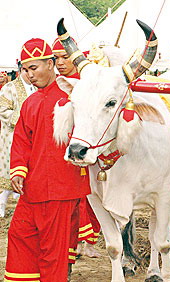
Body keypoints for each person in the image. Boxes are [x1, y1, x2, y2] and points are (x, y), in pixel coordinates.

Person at [3, 38, 90, 282]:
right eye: (26, 70)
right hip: (33, 187)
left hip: (62, 188)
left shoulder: (74, 96)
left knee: (54, 251)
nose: (30, 75)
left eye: (35, 67)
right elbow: (21, 141)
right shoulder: (31, 103)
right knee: (19, 234)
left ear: (51, 64)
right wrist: (18, 171)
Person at [52, 38, 102, 262]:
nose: (61, 63)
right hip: (60, 153)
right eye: (56, 58)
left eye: (65, 57)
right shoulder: (56, 85)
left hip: (86, 149)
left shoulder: (89, 86)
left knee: (89, 197)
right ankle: (73, 248)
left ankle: (87, 242)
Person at [0, 62, 36, 218]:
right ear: (22, 70)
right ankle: (1, 203)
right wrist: (23, 120)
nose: (31, 75)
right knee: (9, 168)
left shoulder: (37, 87)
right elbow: (3, 109)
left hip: (32, 136)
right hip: (12, 136)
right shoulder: (10, 88)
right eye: (27, 71)